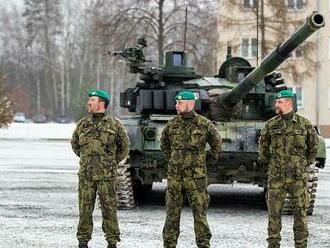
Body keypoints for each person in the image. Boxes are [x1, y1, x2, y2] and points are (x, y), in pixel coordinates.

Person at [161, 90, 222, 248]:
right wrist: (174, 161)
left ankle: (203, 244)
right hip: (175, 178)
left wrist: (204, 162)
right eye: (176, 102)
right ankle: (169, 244)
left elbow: (216, 143)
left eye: (179, 103)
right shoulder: (172, 124)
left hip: (196, 178)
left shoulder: (204, 124)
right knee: (171, 215)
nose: (176, 105)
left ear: (190, 104)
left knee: (200, 214)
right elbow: (164, 145)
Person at [258, 89, 319, 248]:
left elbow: (313, 147)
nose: (276, 104)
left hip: (298, 178)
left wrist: (304, 164)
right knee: (274, 216)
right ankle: (273, 245)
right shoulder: (271, 125)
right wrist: (271, 165)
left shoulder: (304, 124)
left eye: (279, 101)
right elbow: (263, 149)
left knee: (300, 214)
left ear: (288, 103)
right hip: (276, 177)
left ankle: (300, 245)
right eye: (276, 101)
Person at [71, 89, 129, 248]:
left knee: (109, 210)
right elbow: (75, 145)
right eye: (89, 100)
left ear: (101, 103)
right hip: (86, 175)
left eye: (92, 100)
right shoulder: (83, 124)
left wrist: (110, 162)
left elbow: (124, 146)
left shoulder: (114, 124)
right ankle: (82, 241)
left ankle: (112, 241)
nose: (88, 103)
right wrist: (87, 160)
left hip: (106, 176)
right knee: (84, 210)